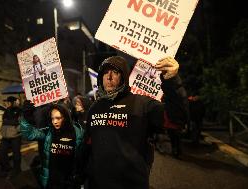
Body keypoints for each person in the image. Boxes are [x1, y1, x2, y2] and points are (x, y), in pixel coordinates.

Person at [83, 56, 188, 189]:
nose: (109, 77)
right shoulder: (95, 107)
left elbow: (178, 119)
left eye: (115, 72)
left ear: (124, 77)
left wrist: (172, 82)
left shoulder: (143, 104)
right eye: (105, 72)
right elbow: (88, 145)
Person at [20, 102, 84, 189]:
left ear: (66, 117)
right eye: (52, 118)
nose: (55, 122)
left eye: (58, 118)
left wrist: (80, 176)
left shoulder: (78, 133)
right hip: (52, 181)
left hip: (70, 181)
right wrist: (26, 118)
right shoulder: (48, 132)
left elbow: (84, 157)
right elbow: (29, 134)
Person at [0, 96, 22, 177]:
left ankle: (17, 169)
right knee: (1, 151)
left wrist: (16, 129)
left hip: (15, 136)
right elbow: (4, 121)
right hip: (5, 136)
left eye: (8, 102)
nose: (6, 103)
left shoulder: (19, 110)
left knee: (16, 153)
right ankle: (6, 167)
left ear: (12, 102)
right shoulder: (6, 111)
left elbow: (21, 122)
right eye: (6, 102)